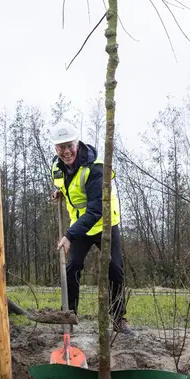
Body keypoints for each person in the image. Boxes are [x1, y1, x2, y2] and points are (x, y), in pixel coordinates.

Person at [49, 121, 132, 334]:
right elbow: (67, 185)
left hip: (104, 223)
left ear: (77, 144)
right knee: (73, 267)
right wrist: (61, 193)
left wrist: (69, 234)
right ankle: (68, 316)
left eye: (69, 146)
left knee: (115, 269)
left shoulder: (96, 168)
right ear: (56, 148)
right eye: (61, 147)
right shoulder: (57, 167)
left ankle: (118, 318)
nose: (66, 151)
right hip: (80, 226)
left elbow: (96, 208)